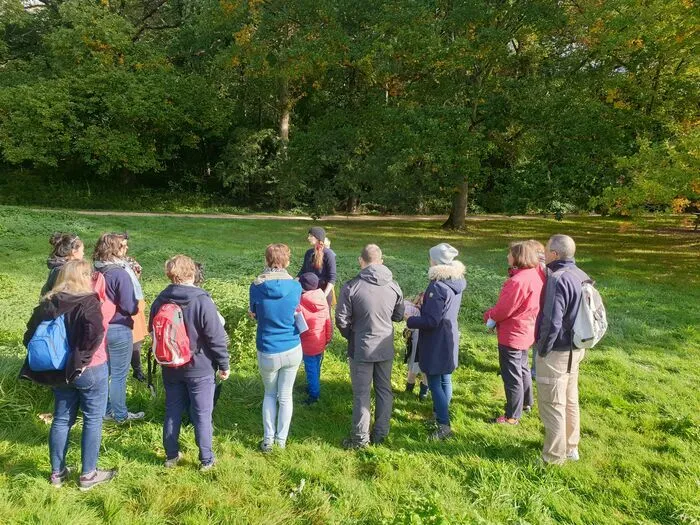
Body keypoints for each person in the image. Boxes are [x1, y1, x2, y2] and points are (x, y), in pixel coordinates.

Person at [21, 260, 117, 490]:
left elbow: (29, 337)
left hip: (58, 371)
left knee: (62, 419)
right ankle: (88, 475)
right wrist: (81, 362)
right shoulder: (88, 301)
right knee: (93, 419)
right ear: (85, 276)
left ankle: (58, 474)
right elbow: (94, 335)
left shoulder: (48, 303)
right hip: (90, 370)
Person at [149, 255, 230, 471]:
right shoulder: (201, 300)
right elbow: (216, 337)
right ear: (192, 273)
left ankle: (171, 456)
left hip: (171, 366)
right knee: (202, 413)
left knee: (172, 409)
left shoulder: (161, 299)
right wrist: (224, 364)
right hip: (200, 366)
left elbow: (152, 331)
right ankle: (206, 459)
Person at [336, 244, 404, 449]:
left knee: (361, 393)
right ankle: (381, 434)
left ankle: (359, 439)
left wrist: (352, 336)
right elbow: (398, 315)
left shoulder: (351, 286)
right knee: (384, 390)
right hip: (384, 346)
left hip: (361, 347)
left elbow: (341, 319)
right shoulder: (394, 286)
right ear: (381, 261)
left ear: (361, 260)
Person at [535, 234, 590, 464]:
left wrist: (543, 349)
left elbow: (552, 321)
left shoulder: (557, 279)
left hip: (556, 351)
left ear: (555, 254)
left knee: (552, 403)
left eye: (547, 250)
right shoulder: (580, 275)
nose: (544, 253)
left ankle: (553, 457)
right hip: (576, 347)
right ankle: (571, 447)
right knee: (569, 397)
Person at [406, 243, 466, 441]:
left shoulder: (437, 286)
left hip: (436, 340)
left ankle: (443, 424)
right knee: (445, 378)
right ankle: (442, 414)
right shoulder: (455, 280)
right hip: (449, 336)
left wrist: (411, 319)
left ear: (435, 261)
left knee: (434, 381)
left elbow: (432, 320)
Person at [249, 244, 303, 452]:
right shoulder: (296, 287)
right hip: (291, 347)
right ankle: (281, 441)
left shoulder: (256, 286)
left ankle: (268, 440)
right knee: (286, 396)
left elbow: (254, 313)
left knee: (270, 395)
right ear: (287, 261)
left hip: (268, 347)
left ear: (267, 260)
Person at [483, 241, 545, 425]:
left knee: (511, 375)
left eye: (509, 254)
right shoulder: (536, 274)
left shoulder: (518, 281)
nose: (507, 257)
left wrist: (489, 315)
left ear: (518, 257)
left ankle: (512, 416)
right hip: (527, 329)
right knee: (522, 367)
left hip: (513, 333)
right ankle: (526, 402)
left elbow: (504, 309)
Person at [93, 233, 143, 423]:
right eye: (123, 246)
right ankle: (120, 415)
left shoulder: (97, 269)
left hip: (100, 327)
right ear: (114, 249)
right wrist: (136, 306)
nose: (126, 249)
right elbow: (130, 306)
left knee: (104, 372)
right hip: (119, 327)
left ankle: (103, 411)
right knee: (119, 375)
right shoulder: (119, 273)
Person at [298, 272, 333, 405]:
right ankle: (314, 385)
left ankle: (313, 395)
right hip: (320, 340)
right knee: (316, 365)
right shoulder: (322, 297)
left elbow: (298, 322)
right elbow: (328, 320)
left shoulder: (300, 301)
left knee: (310, 368)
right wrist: (328, 338)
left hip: (307, 343)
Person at [298, 227, 337, 308]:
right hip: (308, 292)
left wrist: (324, 295)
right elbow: (302, 271)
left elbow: (332, 278)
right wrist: (293, 284)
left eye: (311, 236)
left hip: (323, 292)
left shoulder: (328, 254)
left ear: (318, 238)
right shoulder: (308, 253)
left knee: (325, 318)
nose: (308, 238)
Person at [403, 294, 428, 401]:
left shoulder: (430, 313)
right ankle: (409, 389)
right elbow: (410, 327)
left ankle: (423, 392)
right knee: (413, 366)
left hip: (428, 343)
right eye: (419, 302)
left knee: (426, 369)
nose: (421, 304)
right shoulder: (414, 309)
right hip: (416, 343)